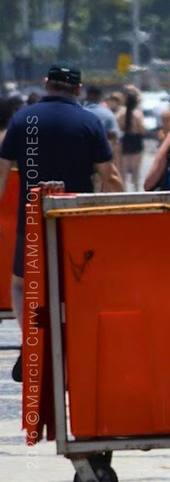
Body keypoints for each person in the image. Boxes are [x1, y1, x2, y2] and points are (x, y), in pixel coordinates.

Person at [0, 62, 123, 381]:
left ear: (46, 84)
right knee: (77, 284)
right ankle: (73, 346)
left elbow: (1, 175)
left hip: (33, 218)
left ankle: (31, 340)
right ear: (78, 89)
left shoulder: (22, 120)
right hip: (76, 220)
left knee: (21, 283)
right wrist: (119, 214)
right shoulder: (89, 122)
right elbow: (110, 177)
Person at [114, 86, 147, 191]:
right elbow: (142, 129)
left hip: (125, 140)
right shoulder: (137, 113)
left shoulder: (121, 113)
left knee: (123, 170)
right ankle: (136, 190)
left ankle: (124, 191)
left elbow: (117, 125)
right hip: (136, 140)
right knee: (135, 170)